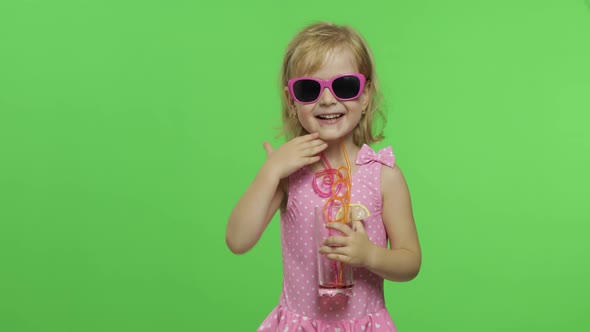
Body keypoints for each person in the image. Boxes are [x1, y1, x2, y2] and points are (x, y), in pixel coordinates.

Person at [226, 22, 421, 331]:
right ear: (292, 101)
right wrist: (270, 171)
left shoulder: (383, 175)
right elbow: (237, 240)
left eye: (344, 86)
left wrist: (370, 255)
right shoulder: (289, 174)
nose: (328, 100)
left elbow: (410, 262)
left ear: (366, 94)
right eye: (309, 89)